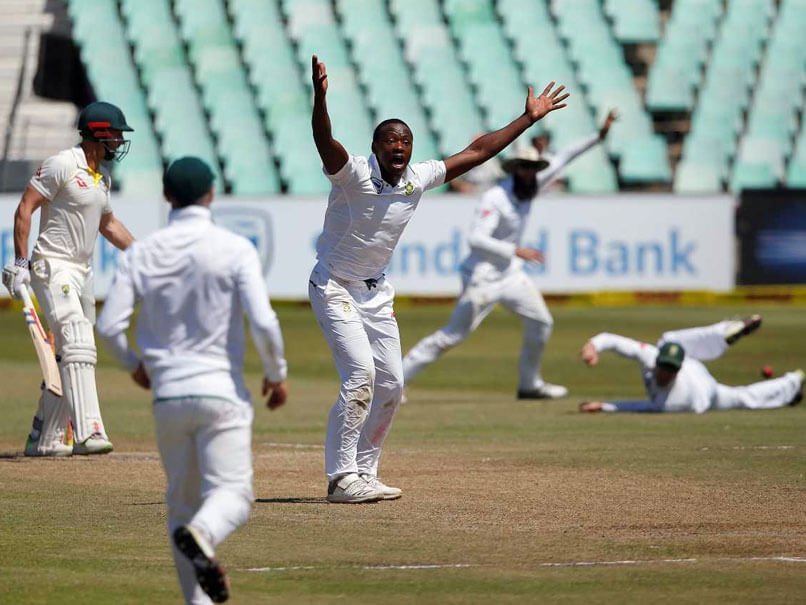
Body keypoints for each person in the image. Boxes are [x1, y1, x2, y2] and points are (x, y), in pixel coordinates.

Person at [309, 54, 568, 503]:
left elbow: (479, 152)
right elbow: (323, 140)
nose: (399, 147)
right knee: (361, 375)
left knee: (393, 385)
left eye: (405, 141)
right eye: (390, 140)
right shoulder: (353, 174)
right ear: (375, 147)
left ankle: (365, 472)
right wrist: (320, 99)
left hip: (375, 292)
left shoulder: (418, 177)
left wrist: (527, 119)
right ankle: (341, 478)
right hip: (333, 286)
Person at [97, 157, 289, 604]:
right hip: (221, 392)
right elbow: (263, 321)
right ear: (211, 194)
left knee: (181, 506)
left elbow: (107, 327)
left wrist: (133, 365)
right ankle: (204, 534)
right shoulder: (235, 248)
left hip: (168, 395)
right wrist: (276, 374)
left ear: (167, 196)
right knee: (233, 495)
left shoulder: (142, 252)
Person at [402, 111, 619, 400]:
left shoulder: (532, 185)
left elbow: (565, 156)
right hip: (481, 277)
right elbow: (476, 239)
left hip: (510, 274)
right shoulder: (496, 198)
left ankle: (529, 384)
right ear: (515, 169)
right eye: (525, 168)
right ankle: (396, 382)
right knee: (452, 336)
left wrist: (599, 136)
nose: (530, 173)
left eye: (533, 168)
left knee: (541, 322)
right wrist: (515, 250)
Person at [2, 101, 137, 456]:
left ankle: (45, 437)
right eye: (116, 135)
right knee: (77, 337)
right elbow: (25, 207)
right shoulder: (62, 164)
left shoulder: (101, 178)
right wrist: (20, 262)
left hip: (82, 272)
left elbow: (108, 224)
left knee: (70, 352)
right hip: (53, 264)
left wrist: (141, 253)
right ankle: (89, 431)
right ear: (98, 134)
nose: (120, 141)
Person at [578, 315, 804, 413]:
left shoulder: (674, 402)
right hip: (689, 362)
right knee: (668, 341)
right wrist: (593, 346)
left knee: (742, 398)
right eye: (663, 367)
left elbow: (641, 407)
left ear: (677, 370)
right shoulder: (651, 355)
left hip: (705, 393)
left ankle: (723, 334)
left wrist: (606, 406)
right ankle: (793, 383)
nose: (664, 373)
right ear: (657, 361)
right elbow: (615, 341)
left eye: (670, 370)